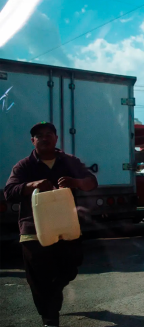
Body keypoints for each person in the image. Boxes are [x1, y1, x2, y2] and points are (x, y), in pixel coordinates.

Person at [4, 122, 98, 327]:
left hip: (67, 226)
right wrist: (32, 185)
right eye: (39, 135)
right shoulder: (24, 166)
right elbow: (9, 192)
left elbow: (91, 182)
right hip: (33, 230)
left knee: (71, 268)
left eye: (49, 134)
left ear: (56, 138)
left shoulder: (69, 161)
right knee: (39, 278)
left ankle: (52, 298)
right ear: (33, 141)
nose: (44, 138)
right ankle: (50, 319)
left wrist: (76, 182)